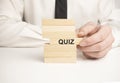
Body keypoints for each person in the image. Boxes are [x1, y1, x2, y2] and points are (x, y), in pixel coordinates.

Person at [0, 0, 120, 59]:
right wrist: (66, 35)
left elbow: (115, 23)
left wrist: (106, 38)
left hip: (87, 68)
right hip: (32, 66)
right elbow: (2, 25)